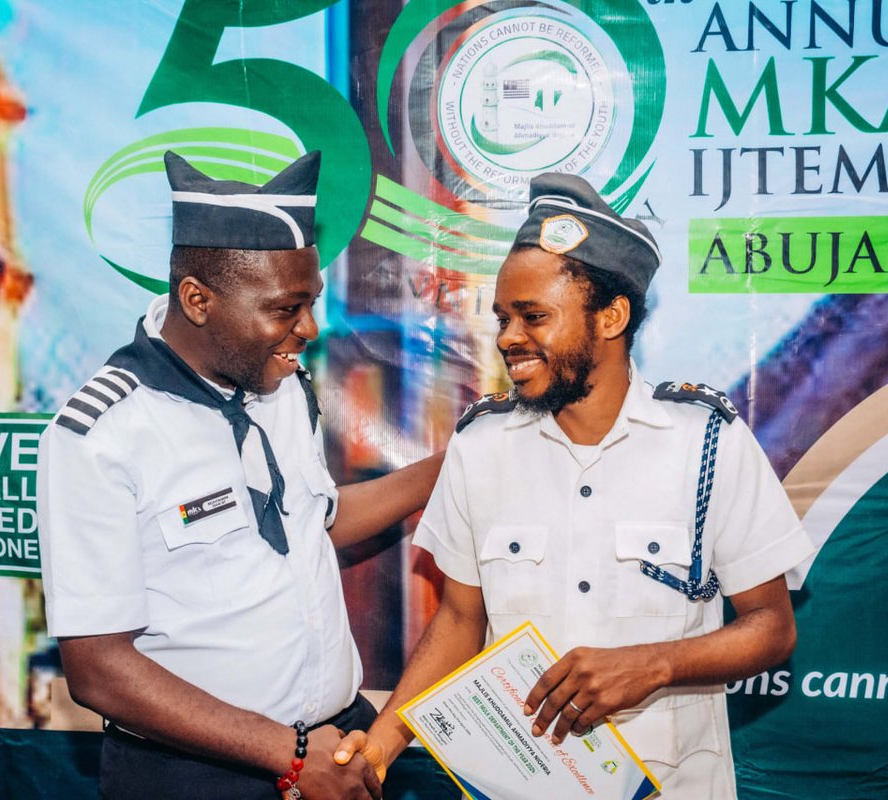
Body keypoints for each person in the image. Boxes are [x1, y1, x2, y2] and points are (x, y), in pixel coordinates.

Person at [334, 173, 815, 796]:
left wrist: (652, 664)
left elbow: (772, 628)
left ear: (611, 317)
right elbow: (457, 620)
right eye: (504, 317)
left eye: (533, 316)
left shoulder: (708, 443)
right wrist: (379, 749)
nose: (508, 337)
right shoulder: (481, 447)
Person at [37, 150, 443, 800]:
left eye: (310, 303)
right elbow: (100, 670)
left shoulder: (278, 384)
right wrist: (290, 755)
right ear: (198, 300)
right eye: (286, 309)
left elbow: (315, 522)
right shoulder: (103, 434)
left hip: (335, 752)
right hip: (198, 777)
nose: (308, 328)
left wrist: (444, 470)